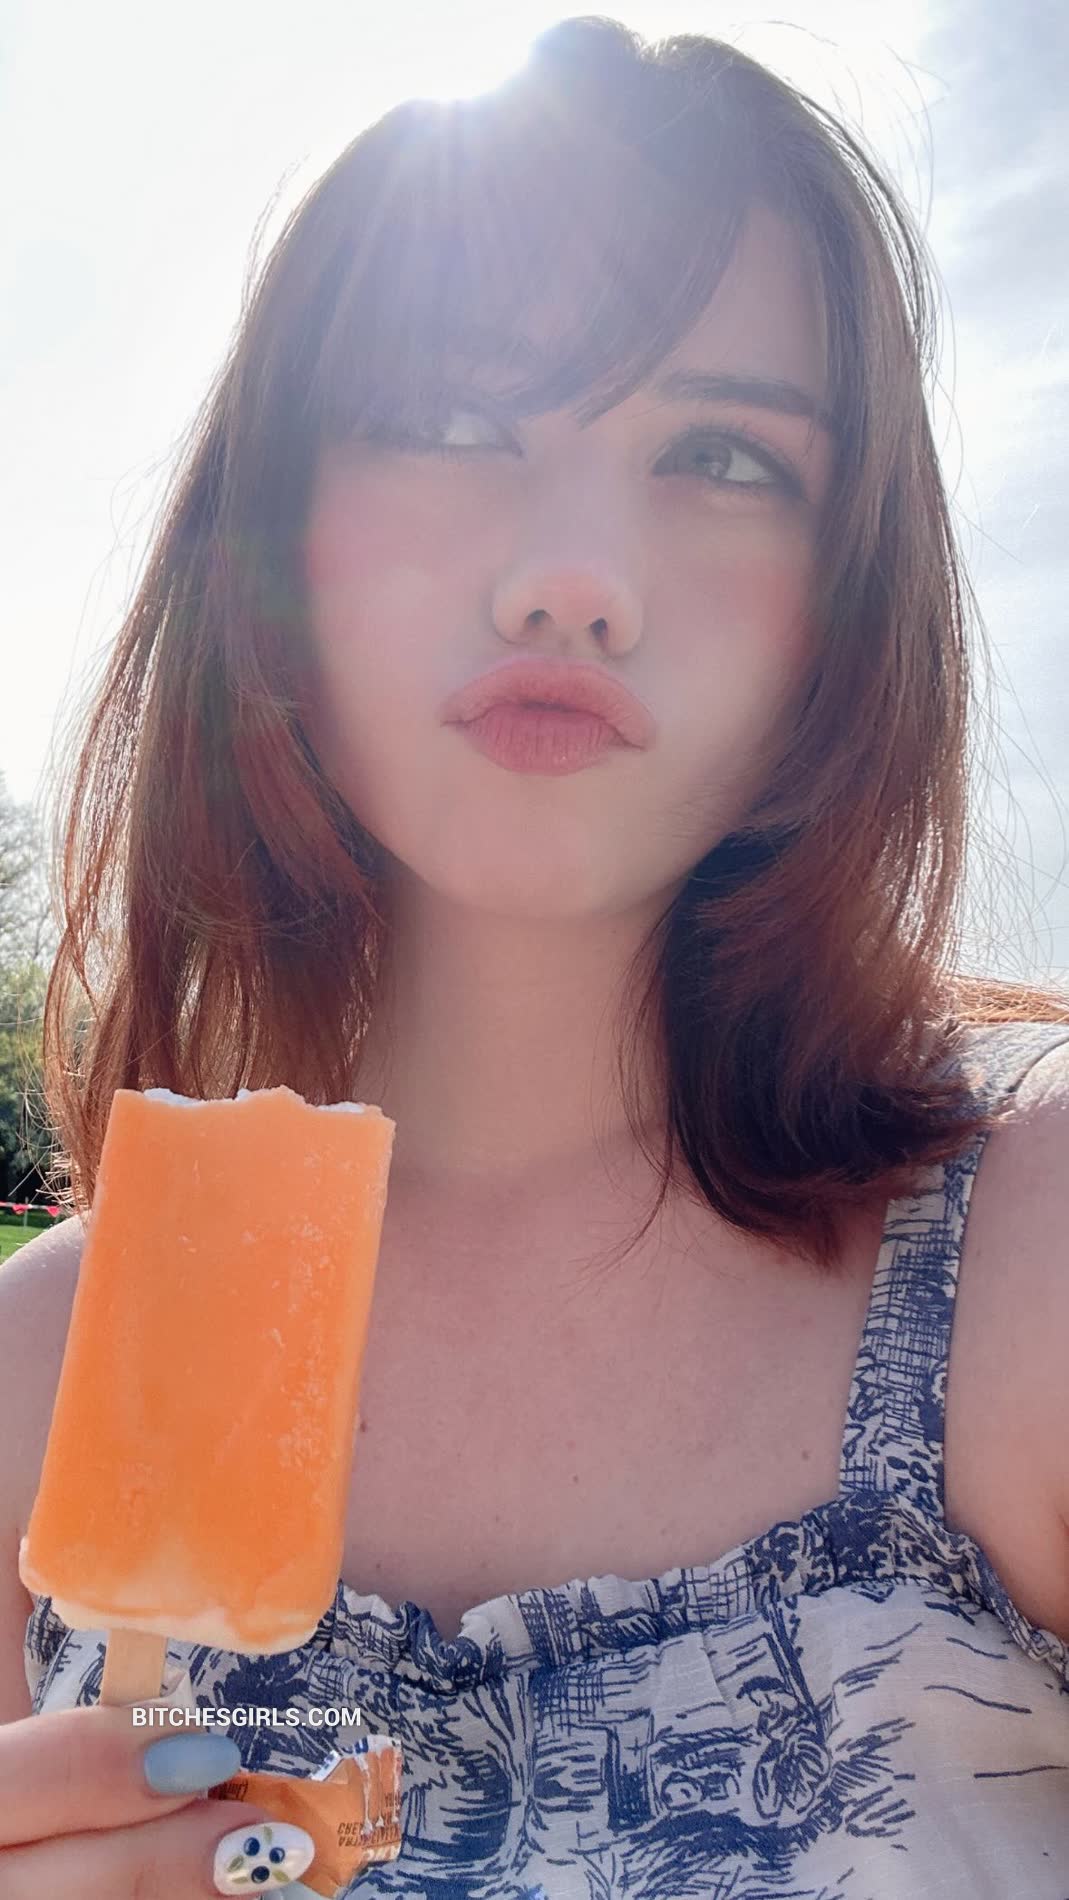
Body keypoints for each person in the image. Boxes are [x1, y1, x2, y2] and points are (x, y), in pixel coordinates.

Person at [1, 14, 1067, 1897]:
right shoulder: (36, 1367)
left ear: (847, 598)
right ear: (273, 539)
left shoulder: (1031, 1264)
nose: (572, 577)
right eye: (442, 422)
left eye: (721, 454)